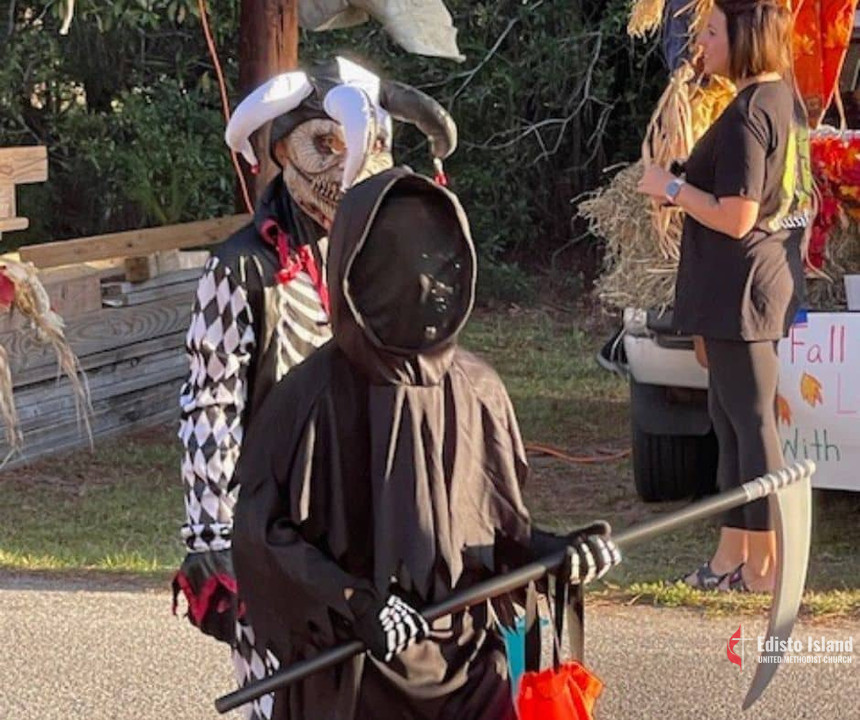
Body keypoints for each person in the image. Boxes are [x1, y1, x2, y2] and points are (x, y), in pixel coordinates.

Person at [232, 167, 622, 720]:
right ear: (354, 269)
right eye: (398, 263)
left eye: (434, 263)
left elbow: (495, 534)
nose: (422, 282)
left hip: (470, 676)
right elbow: (261, 537)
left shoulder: (479, 390)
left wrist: (557, 553)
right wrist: (352, 601)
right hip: (351, 682)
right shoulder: (306, 399)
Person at [171, 58, 457, 720]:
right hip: (279, 529)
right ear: (281, 154)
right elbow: (211, 404)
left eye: (363, 146)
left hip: (369, 517)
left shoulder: (383, 259)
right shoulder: (242, 268)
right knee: (283, 698)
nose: (343, 167)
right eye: (321, 145)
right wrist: (212, 534)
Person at [637, 0, 814, 593]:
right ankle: (731, 553)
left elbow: (738, 216)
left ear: (744, 38)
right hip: (749, 286)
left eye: (712, 32)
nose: (701, 43)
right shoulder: (779, 101)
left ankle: (763, 567)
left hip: (742, 290)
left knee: (753, 424)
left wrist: (672, 187)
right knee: (730, 421)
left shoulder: (748, 114)